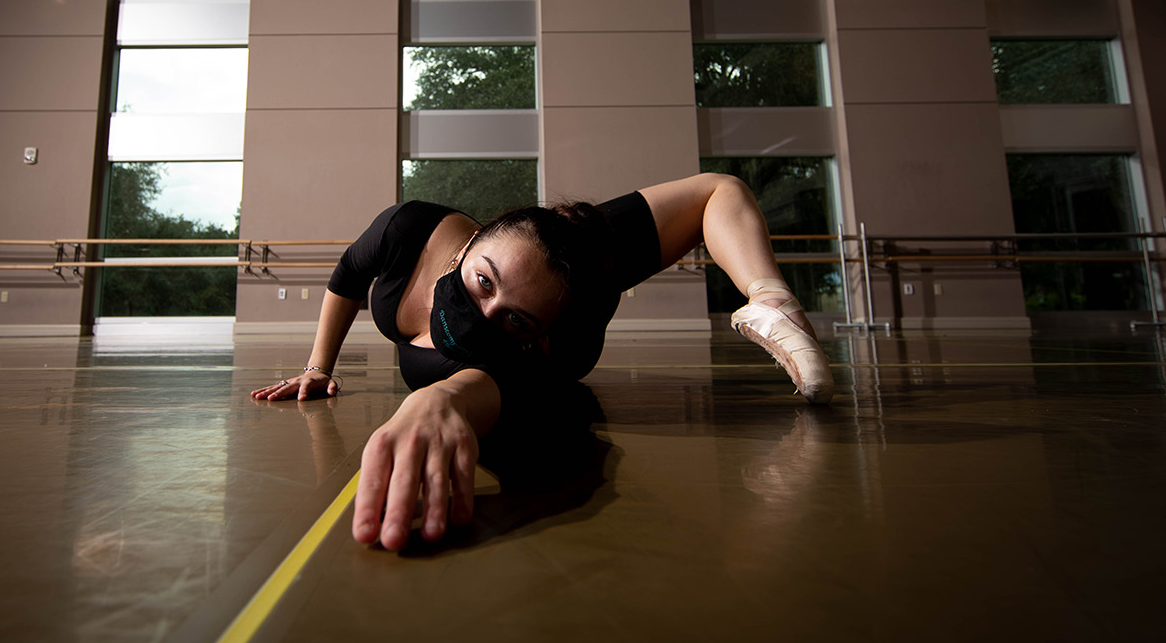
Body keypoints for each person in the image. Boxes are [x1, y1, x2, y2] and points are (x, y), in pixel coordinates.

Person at [250, 173, 833, 550]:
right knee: (579, 240)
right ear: (479, 237)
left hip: (566, 330)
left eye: (512, 318)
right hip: (553, 250)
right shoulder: (410, 231)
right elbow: (349, 277)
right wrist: (318, 366)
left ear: (531, 335)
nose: (486, 311)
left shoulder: (540, 340)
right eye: (483, 281)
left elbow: (488, 385)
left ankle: (770, 305)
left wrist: (439, 397)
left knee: (573, 291)